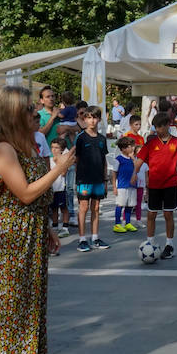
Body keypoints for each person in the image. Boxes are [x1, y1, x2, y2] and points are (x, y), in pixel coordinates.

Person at [0, 85, 74, 354]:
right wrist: (59, 169)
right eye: (29, 110)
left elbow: (31, 199)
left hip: (32, 231)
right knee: (12, 312)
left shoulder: (26, 144)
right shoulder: (3, 149)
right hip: (13, 236)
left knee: (33, 308)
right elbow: (23, 194)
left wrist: (48, 228)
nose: (36, 115)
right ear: (12, 114)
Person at [137, 111, 177, 260]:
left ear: (167, 126)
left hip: (170, 182)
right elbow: (140, 159)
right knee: (151, 214)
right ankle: (150, 242)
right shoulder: (151, 142)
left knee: (168, 214)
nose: (157, 130)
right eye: (155, 127)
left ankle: (169, 245)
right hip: (154, 184)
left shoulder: (176, 142)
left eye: (159, 127)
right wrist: (134, 173)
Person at [72, 107, 109, 252]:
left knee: (96, 207)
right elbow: (77, 159)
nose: (92, 120)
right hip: (84, 179)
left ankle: (95, 238)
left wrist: (105, 180)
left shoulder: (102, 139)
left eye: (94, 117)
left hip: (98, 179)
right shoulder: (81, 137)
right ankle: (82, 239)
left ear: (99, 119)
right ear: (84, 119)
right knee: (84, 207)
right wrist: (79, 178)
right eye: (88, 117)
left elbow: (104, 160)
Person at [111, 137, 140, 233]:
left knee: (130, 205)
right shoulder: (118, 159)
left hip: (132, 185)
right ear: (123, 149)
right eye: (129, 146)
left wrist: (132, 158)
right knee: (120, 204)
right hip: (122, 186)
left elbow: (137, 167)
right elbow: (114, 173)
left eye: (132, 146)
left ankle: (128, 223)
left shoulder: (133, 159)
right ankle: (117, 224)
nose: (132, 148)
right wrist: (114, 187)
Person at [123, 114, 146, 227]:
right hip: (129, 168)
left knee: (139, 198)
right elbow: (124, 150)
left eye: (140, 124)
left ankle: (138, 219)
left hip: (140, 169)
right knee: (128, 198)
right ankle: (124, 220)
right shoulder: (127, 136)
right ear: (131, 125)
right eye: (136, 124)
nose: (138, 126)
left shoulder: (141, 138)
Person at [48, 137, 69, 237]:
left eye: (56, 148)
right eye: (52, 147)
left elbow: (64, 173)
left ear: (62, 149)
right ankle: (55, 226)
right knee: (54, 208)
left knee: (63, 207)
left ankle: (65, 227)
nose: (54, 150)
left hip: (61, 188)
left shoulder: (63, 160)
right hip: (52, 189)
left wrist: (58, 162)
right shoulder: (49, 159)